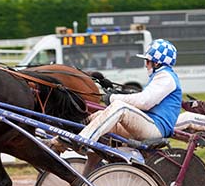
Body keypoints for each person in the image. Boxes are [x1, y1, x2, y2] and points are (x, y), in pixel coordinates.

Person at [48, 39, 182, 153]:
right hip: (148, 124)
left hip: (155, 129)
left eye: (147, 61)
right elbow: (144, 98)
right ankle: (55, 144)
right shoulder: (160, 76)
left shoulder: (166, 77)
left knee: (119, 107)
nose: (146, 65)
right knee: (97, 116)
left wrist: (113, 98)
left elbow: (144, 102)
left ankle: (82, 141)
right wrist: (119, 93)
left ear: (156, 63)